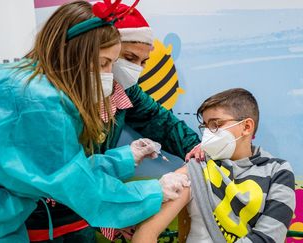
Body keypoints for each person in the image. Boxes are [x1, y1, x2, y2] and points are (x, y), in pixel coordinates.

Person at [0, 1, 190, 242]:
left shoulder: (28, 82)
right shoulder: (43, 105)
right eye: (104, 63)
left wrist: (125, 158)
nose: (109, 73)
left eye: (112, 64)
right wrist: (154, 191)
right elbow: (78, 187)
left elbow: (62, 167)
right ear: (72, 51)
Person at [26, 3, 201, 242]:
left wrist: (198, 151)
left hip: (82, 216)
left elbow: (162, 122)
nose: (134, 69)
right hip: (39, 218)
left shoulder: (124, 91)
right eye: (125, 58)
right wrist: (148, 193)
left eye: (143, 62)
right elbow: (68, 178)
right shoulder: (49, 101)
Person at [132, 88, 296, 243]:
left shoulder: (278, 171)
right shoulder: (197, 166)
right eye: (205, 126)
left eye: (215, 125)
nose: (207, 133)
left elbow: (269, 238)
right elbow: (147, 231)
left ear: (246, 127)